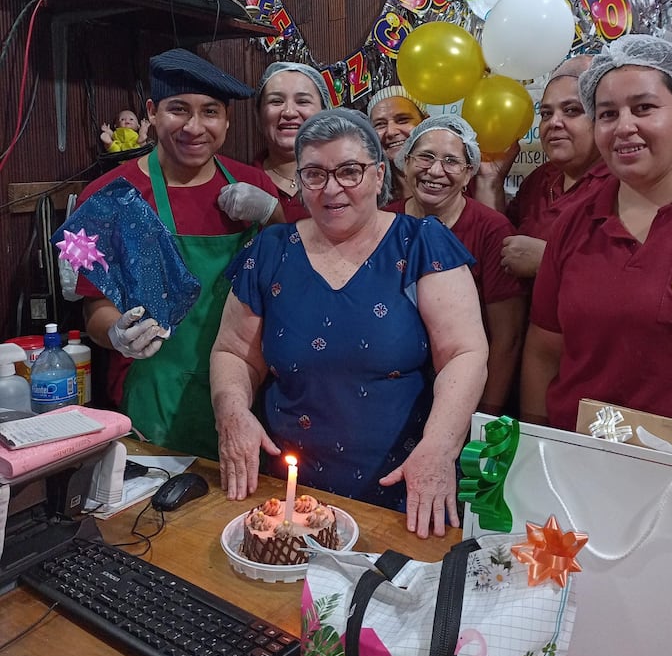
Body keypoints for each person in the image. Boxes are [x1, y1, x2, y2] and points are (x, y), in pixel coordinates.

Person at [211, 108, 488, 538]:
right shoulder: (270, 249)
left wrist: (440, 447)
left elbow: (465, 353)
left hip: (404, 488)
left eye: (349, 171)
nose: (332, 188)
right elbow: (233, 352)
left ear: (379, 176)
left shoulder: (420, 243)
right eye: (315, 174)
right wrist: (231, 410)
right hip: (287, 495)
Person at [520, 33, 672, 431]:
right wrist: (532, 442)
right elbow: (545, 349)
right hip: (584, 461)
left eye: (644, 108)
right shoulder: (575, 222)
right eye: (607, 114)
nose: (624, 127)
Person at [77, 48, 284, 460]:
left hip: (248, 392)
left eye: (210, 112)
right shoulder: (106, 197)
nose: (194, 127)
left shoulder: (253, 185)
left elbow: (289, 273)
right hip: (154, 395)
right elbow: (94, 311)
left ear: (226, 119)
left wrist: (275, 214)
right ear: (152, 112)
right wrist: (118, 333)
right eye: (178, 110)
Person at [389, 115, 527, 417]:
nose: (435, 171)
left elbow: (508, 337)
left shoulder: (491, 229)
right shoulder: (383, 221)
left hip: (466, 394)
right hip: (391, 392)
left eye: (451, 162)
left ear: (468, 175)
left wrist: (483, 416)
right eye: (425, 157)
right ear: (406, 162)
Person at [501, 55, 609, 280]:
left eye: (571, 110)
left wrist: (548, 260)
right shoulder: (542, 178)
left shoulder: (623, 185)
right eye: (546, 114)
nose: (554, 123)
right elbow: (504, 251)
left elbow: (637, 280)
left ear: (603, 117)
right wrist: (490, 180)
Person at [367, 85, 519, 206]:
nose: (391, 132)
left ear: (425, 122)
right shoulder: (371, 191)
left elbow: (487, 236)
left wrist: (489, 180)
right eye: (380, 124)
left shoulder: (459, 175)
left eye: (403, 120)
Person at [255, 61, 333, 222]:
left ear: (325, 114)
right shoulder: (240, 182)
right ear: (258, 115)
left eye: (303, 101)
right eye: (276, 101)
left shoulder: (344, 182)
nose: (289, 112)